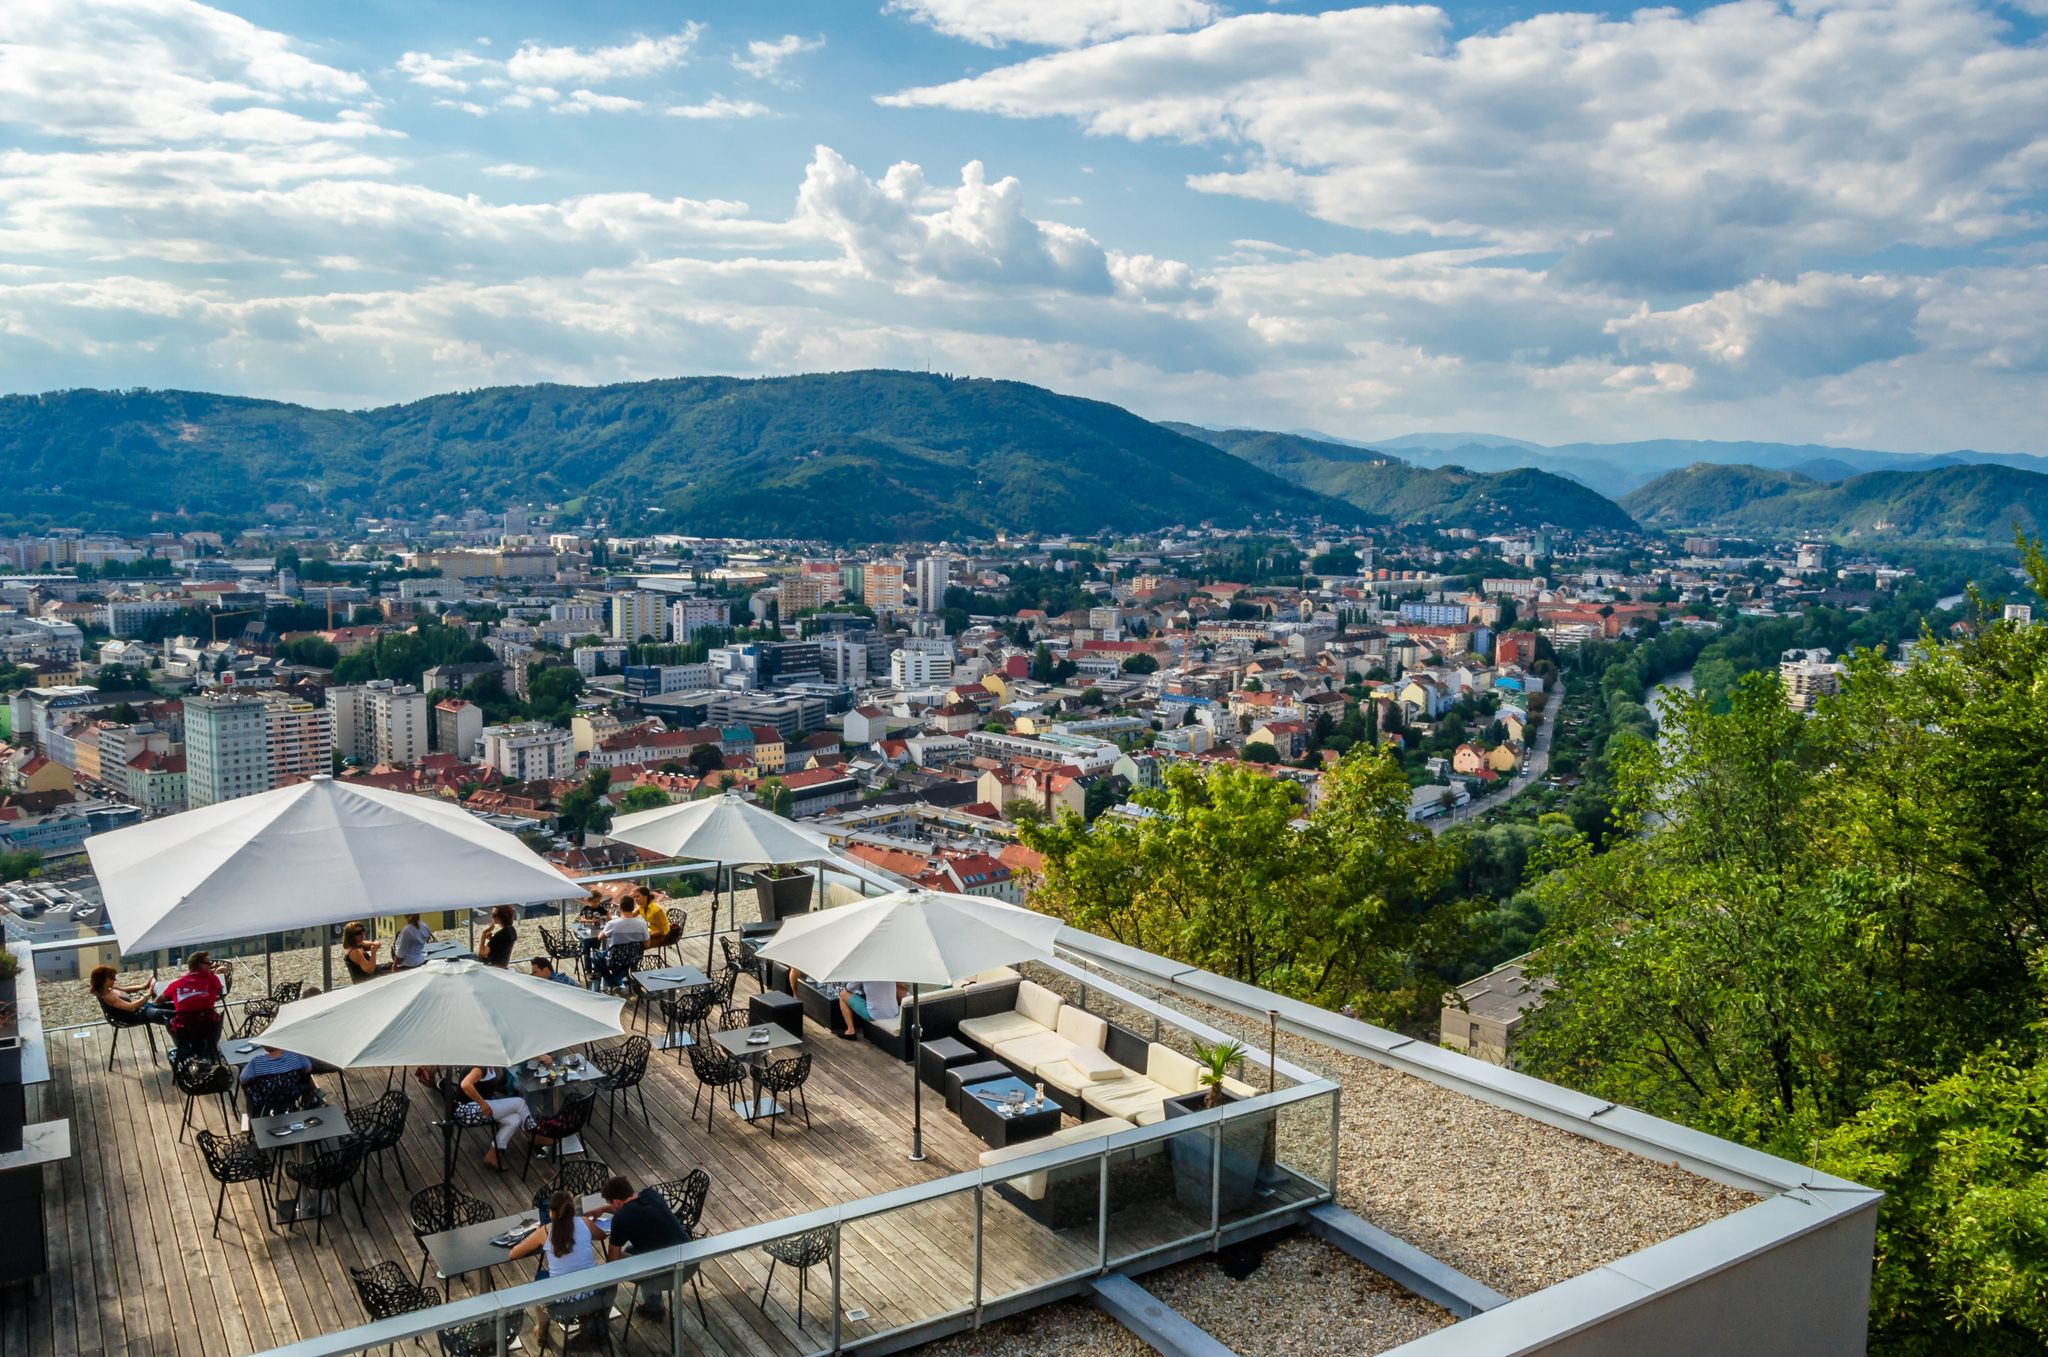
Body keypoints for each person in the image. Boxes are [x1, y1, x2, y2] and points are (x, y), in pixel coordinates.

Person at [594, 1175, 689, 1315]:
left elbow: (613, 1260)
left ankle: (654, 1309)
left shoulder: (621, 1219)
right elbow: (627, 1206)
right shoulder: (651, 1194)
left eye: (611, 1204)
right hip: (690, 1258)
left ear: (616, 1201)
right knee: (631, 1250)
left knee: (621, 1258)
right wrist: (603, 1209)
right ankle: (653, 1303)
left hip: (671, 1274)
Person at [508, 1189, 608, 1304]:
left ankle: (543, 1322)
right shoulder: (584, 1222)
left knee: (540, 1277)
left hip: (563, 1301)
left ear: (552, 1212)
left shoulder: (545, 1231)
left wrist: (536, 1235)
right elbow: (602, 1236)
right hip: (592, 1294)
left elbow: (513, 1254)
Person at [457, 1064, 533, 1172]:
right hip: (467, 1111)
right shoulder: (480, 1068)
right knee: (520, 1103)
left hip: (482, 1107)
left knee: (515, 1119)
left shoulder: (490, 1067)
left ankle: (493, 1154)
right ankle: (533, 1134)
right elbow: (465, 1085)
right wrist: (482, 1103)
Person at [161, 951, 229, 1060]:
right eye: (209, 963)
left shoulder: (176, 984)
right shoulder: (213, 980)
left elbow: (159, 1000)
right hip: (208, 1027)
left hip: (184, 1030)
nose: (211, 965)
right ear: (201, 965)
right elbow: (219, 992)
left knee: (169, 1018)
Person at [592, 898, 649, 991]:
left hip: (615, 959)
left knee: (595, 956)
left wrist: (605, 928)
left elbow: (600, 937)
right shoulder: (642, 924)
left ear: (620, 908)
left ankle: (612, 982)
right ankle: (618, 978)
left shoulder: (613, 924)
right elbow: (647, 944)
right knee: (622, 965)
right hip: (633, 958)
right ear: (633, 908)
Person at [88, 965, 170, 1025]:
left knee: (167, 1006)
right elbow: (131, 1007)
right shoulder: (108, 996)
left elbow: (125, 990)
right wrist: (147, 994)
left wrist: (143, 986)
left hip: (138, 1010)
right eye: (112, 978)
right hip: (131, 1016)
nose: (115, 980)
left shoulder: (107, 988)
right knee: (167, 1014)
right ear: (104, 980)